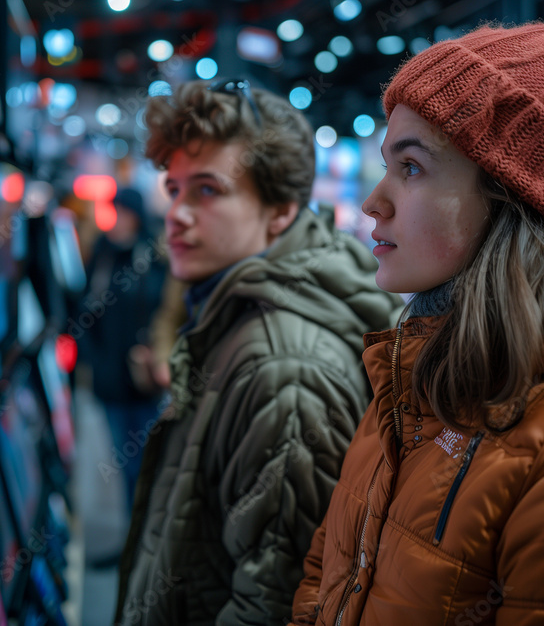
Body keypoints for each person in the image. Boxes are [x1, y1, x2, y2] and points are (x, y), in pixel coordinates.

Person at [290, 22, 544, 625]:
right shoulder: (411, 374)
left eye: (411, 167)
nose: (372, 201)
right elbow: (325, 578)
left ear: (510, 195)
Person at [114, 79, 404, 625]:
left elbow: (272, 605)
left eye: (207, 190)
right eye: (174, 189)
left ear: (280, 211)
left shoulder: (284, 370)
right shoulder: (236, 311)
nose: (176, 213)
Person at [78, 187, 168, 510]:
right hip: (109, 380)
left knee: (148, 462)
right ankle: (133, 534)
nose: (119, 220)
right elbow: (84, 313)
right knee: (125, 462)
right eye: (116, 212)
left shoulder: (153, 254)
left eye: (125, 213)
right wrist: (93, 361)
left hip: (145, 379)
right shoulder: (103, 253)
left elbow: (166, 310)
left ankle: (146, 533)